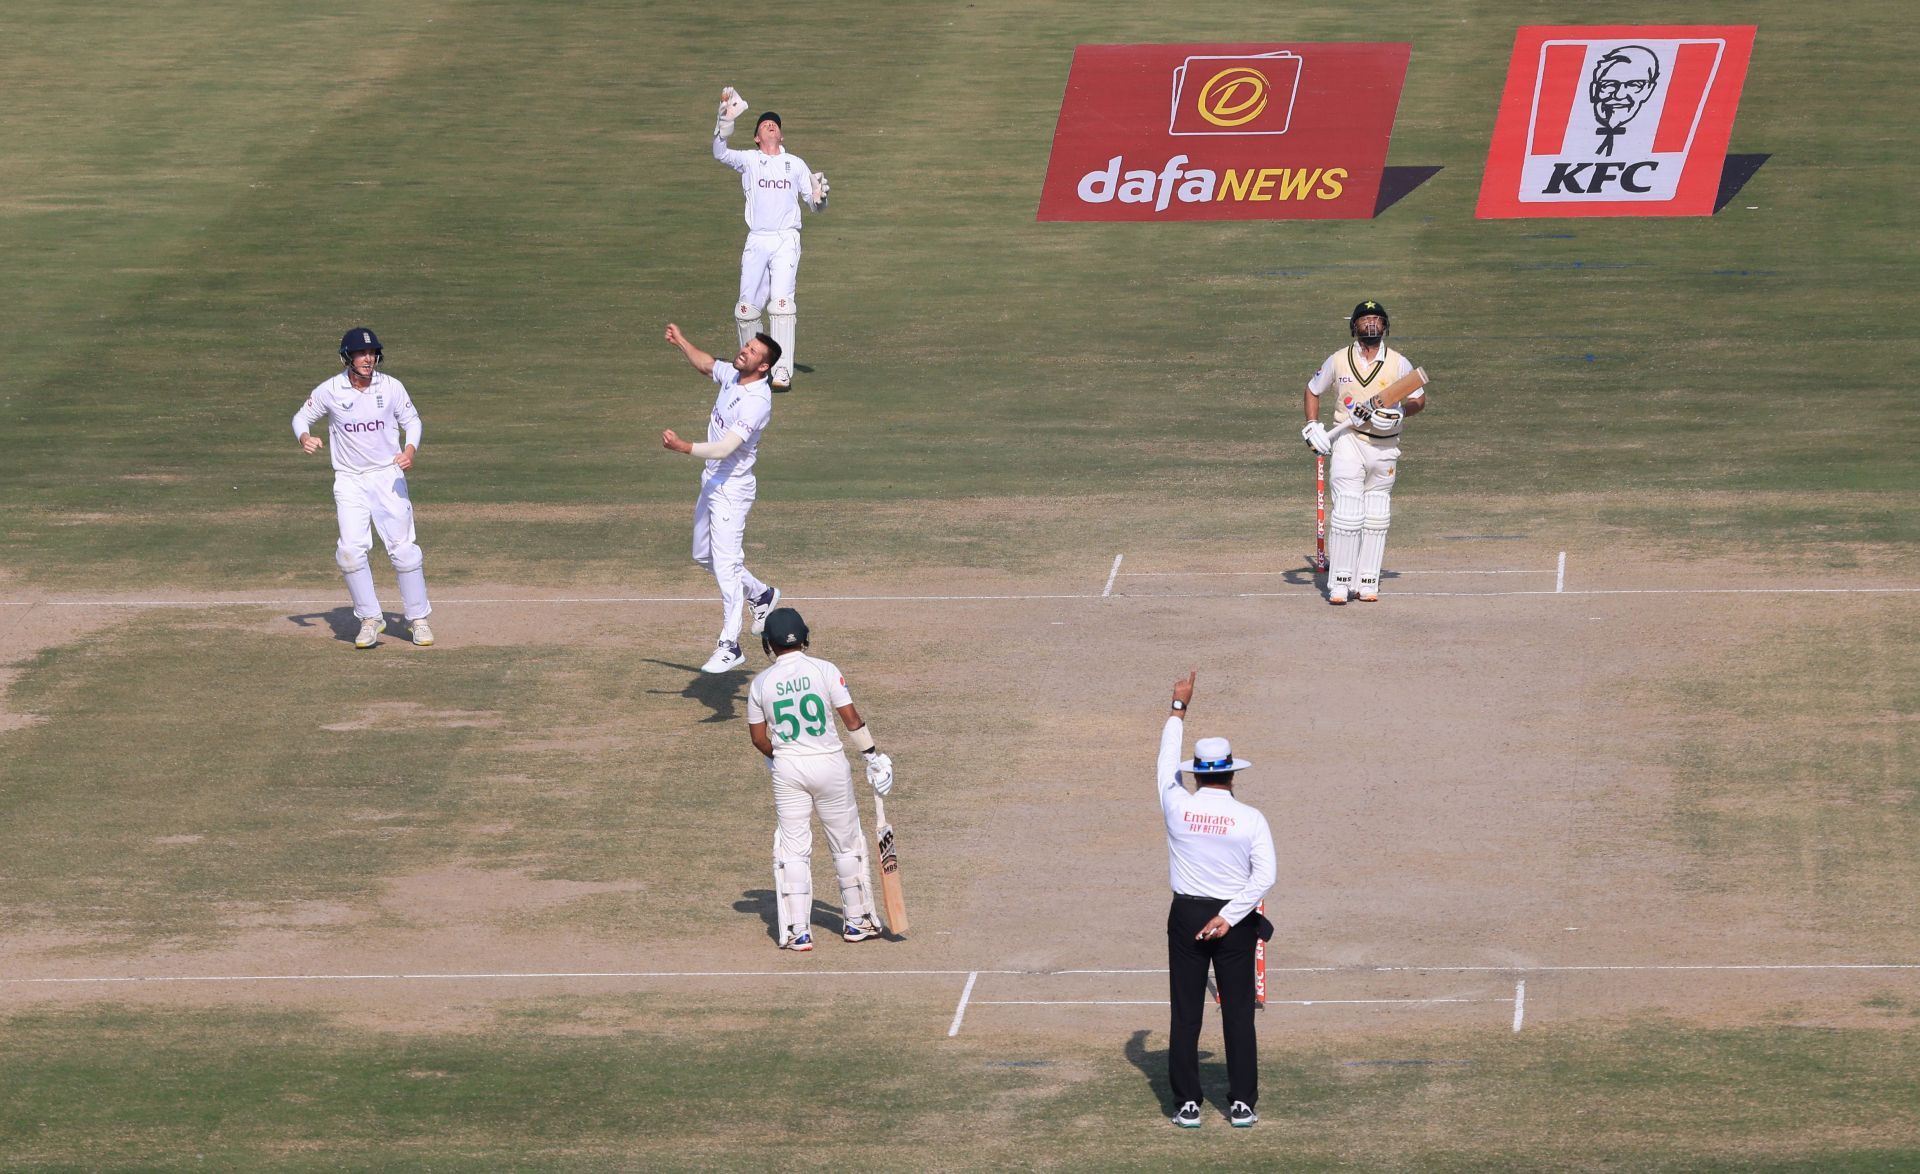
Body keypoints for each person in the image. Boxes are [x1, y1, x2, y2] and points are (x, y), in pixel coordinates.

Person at [1157, 670, 1275, 1129]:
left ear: (1199, 774)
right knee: (1239, 1013)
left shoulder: (1176, 805)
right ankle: (1242, 1102)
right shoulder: (1250, 818)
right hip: (1236, 920)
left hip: (1186, 914)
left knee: (1186, 1012)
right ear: (1230, 770)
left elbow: (1165, 764)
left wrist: (1178, 708)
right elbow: (1266, 874)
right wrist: (1228, 917)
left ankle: (1188, 1102)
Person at [746, 607, 894, 951]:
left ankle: (799, 931)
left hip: (788, 771)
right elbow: (851, 719)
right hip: (829, 765)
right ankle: (856, 922)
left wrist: (777, 758)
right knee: (846, 844)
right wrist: (873, 757)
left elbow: (757, 738)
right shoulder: (824, 670)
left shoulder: (761, 683)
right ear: (805, 637)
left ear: (769, 645)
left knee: (794, 848)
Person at [292, 327, 434, 649]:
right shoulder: (331, 390)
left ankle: (417, 619)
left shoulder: (391, 387)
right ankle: (370, 619)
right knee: (349, 552)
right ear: (348, 357)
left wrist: (409, 450)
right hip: (349, 480)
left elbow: (413, 421)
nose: (368, 358)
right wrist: (305, 437)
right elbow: (301, 417)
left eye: (371, 353)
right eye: (361, 353)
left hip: (388, 475)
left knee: (404, 550)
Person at [660, 322, 784, 673]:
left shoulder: (757, 402)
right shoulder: (733, 374)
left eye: (753, 352)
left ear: (763, 367)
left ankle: (730, 644)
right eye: (747, 346)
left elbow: (727, 447)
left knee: (727, 565)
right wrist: (682, 341)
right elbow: (705, 364)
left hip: (732, 490)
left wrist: (684, 447)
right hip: (712, 482)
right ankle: (761, 594)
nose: (744, 351)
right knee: (703, 555)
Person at [1300, 299, 1429, 604]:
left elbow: (1419, 399)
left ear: (1385, 326)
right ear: (1353, 326)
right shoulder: (1338, 359)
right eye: (1364, 319)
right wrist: (1312, 425)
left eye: (1376, 319)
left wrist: (1399, 414)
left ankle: (1368, 580)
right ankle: (1340, 583)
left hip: (1385, 447)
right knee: (1347, 512)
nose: (1370, 324)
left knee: (1376, 515)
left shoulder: (1399, 363)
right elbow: (1312, 389)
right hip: (1348, 439)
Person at [710, 85, 829, 392]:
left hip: (786, 239)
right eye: (764, 123)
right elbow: (719, 153)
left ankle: (782, 371)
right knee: (746, 310)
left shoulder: (796, 164)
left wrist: (820, 197)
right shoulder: (749, 160)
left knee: (781, 304)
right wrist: (724, 123)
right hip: (757, 238)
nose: (770, 124)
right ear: (756, 137)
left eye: (774, 122)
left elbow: (814, 204)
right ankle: (753, 366)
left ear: (781, 135)